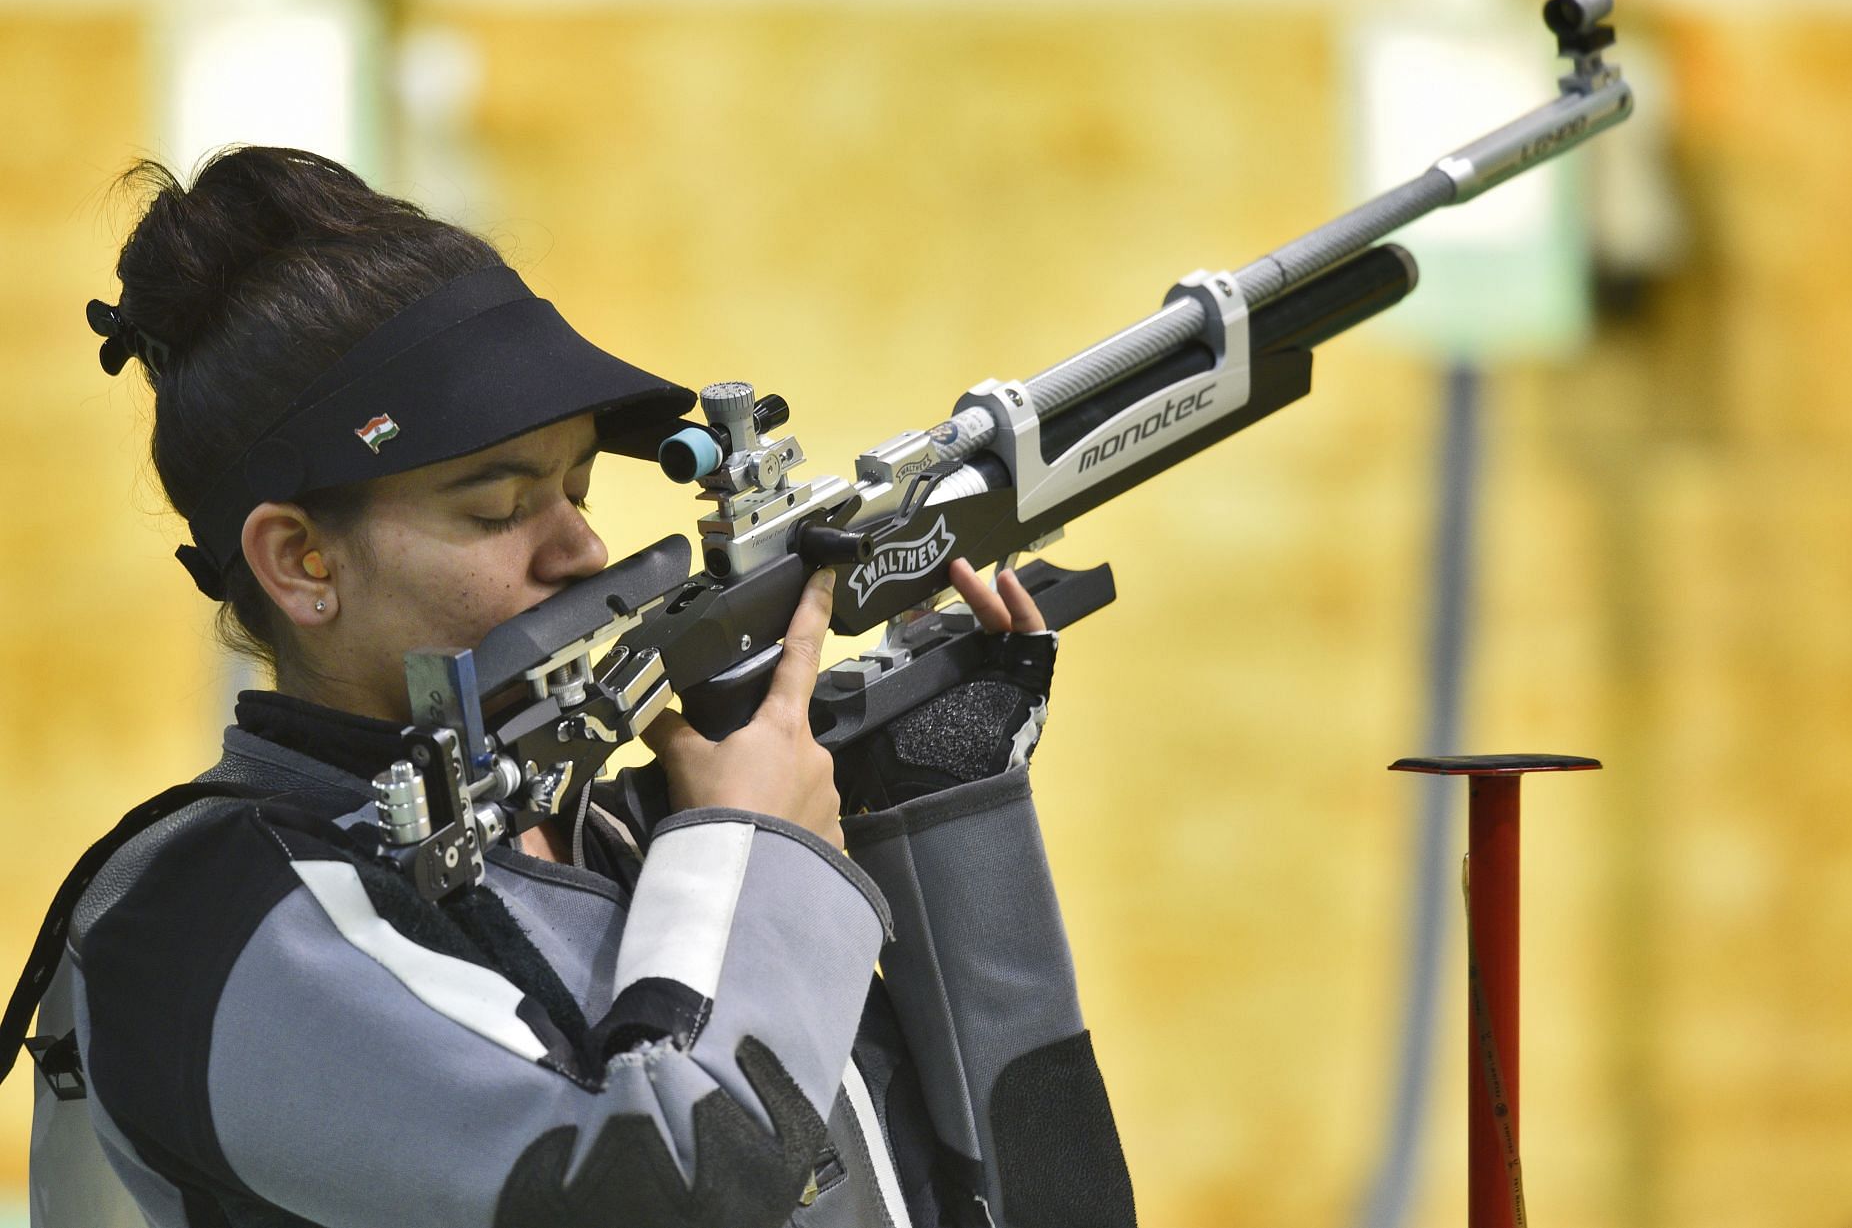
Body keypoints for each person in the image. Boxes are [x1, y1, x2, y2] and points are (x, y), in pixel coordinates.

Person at [19, 147, 1135, 1228]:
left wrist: (941, 808)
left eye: (579, 485)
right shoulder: (208, 924)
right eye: (497, 507)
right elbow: (668, 1191)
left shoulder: (623, 826)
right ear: (303, 563)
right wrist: (756, 846)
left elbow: (1032, 1193)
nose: (585, 547)